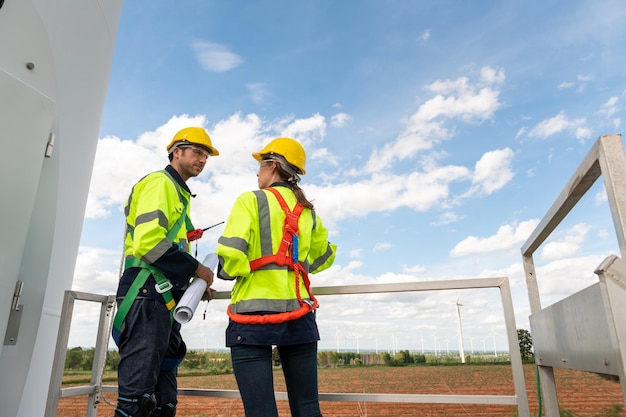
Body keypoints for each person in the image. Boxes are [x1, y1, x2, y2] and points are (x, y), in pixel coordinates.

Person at [216, 137, 337, 417]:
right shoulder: (307, 213)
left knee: (261, 412)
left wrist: (222, 271)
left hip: (252, 316)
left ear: (273, 165)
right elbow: (324, 257)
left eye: (260, 165)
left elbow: (232, 256)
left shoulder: (251, 200)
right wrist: (297, 262)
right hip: (299, 312)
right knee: (307, 408)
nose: (257, 172)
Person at [112, 127, 219, 417]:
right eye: (197, 152)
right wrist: (198, 268)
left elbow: (170, 250)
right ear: (176, 152)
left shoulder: (179, 196)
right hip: (146, 295)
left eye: (206, 155)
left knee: (163, 401)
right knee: (137, 401)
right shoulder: (160, 184)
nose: (203, 159)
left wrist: (194, 284)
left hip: (164, 300)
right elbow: (149, 243)